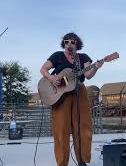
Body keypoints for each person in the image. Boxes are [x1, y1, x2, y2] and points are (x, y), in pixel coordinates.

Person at [40, 32, 103, 166]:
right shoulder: (57, 55)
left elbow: (88, 74)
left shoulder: (83, 57)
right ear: (64, 43)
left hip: (79, 92)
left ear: (77, 45)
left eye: (72, 42)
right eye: (66, 41)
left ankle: (82, 160)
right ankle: (62, 162)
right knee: (61, 129)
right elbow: (43, 69)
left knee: (83, 126)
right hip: (60, 96)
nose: (69, 43)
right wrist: (52, 78)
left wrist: (96, 68)